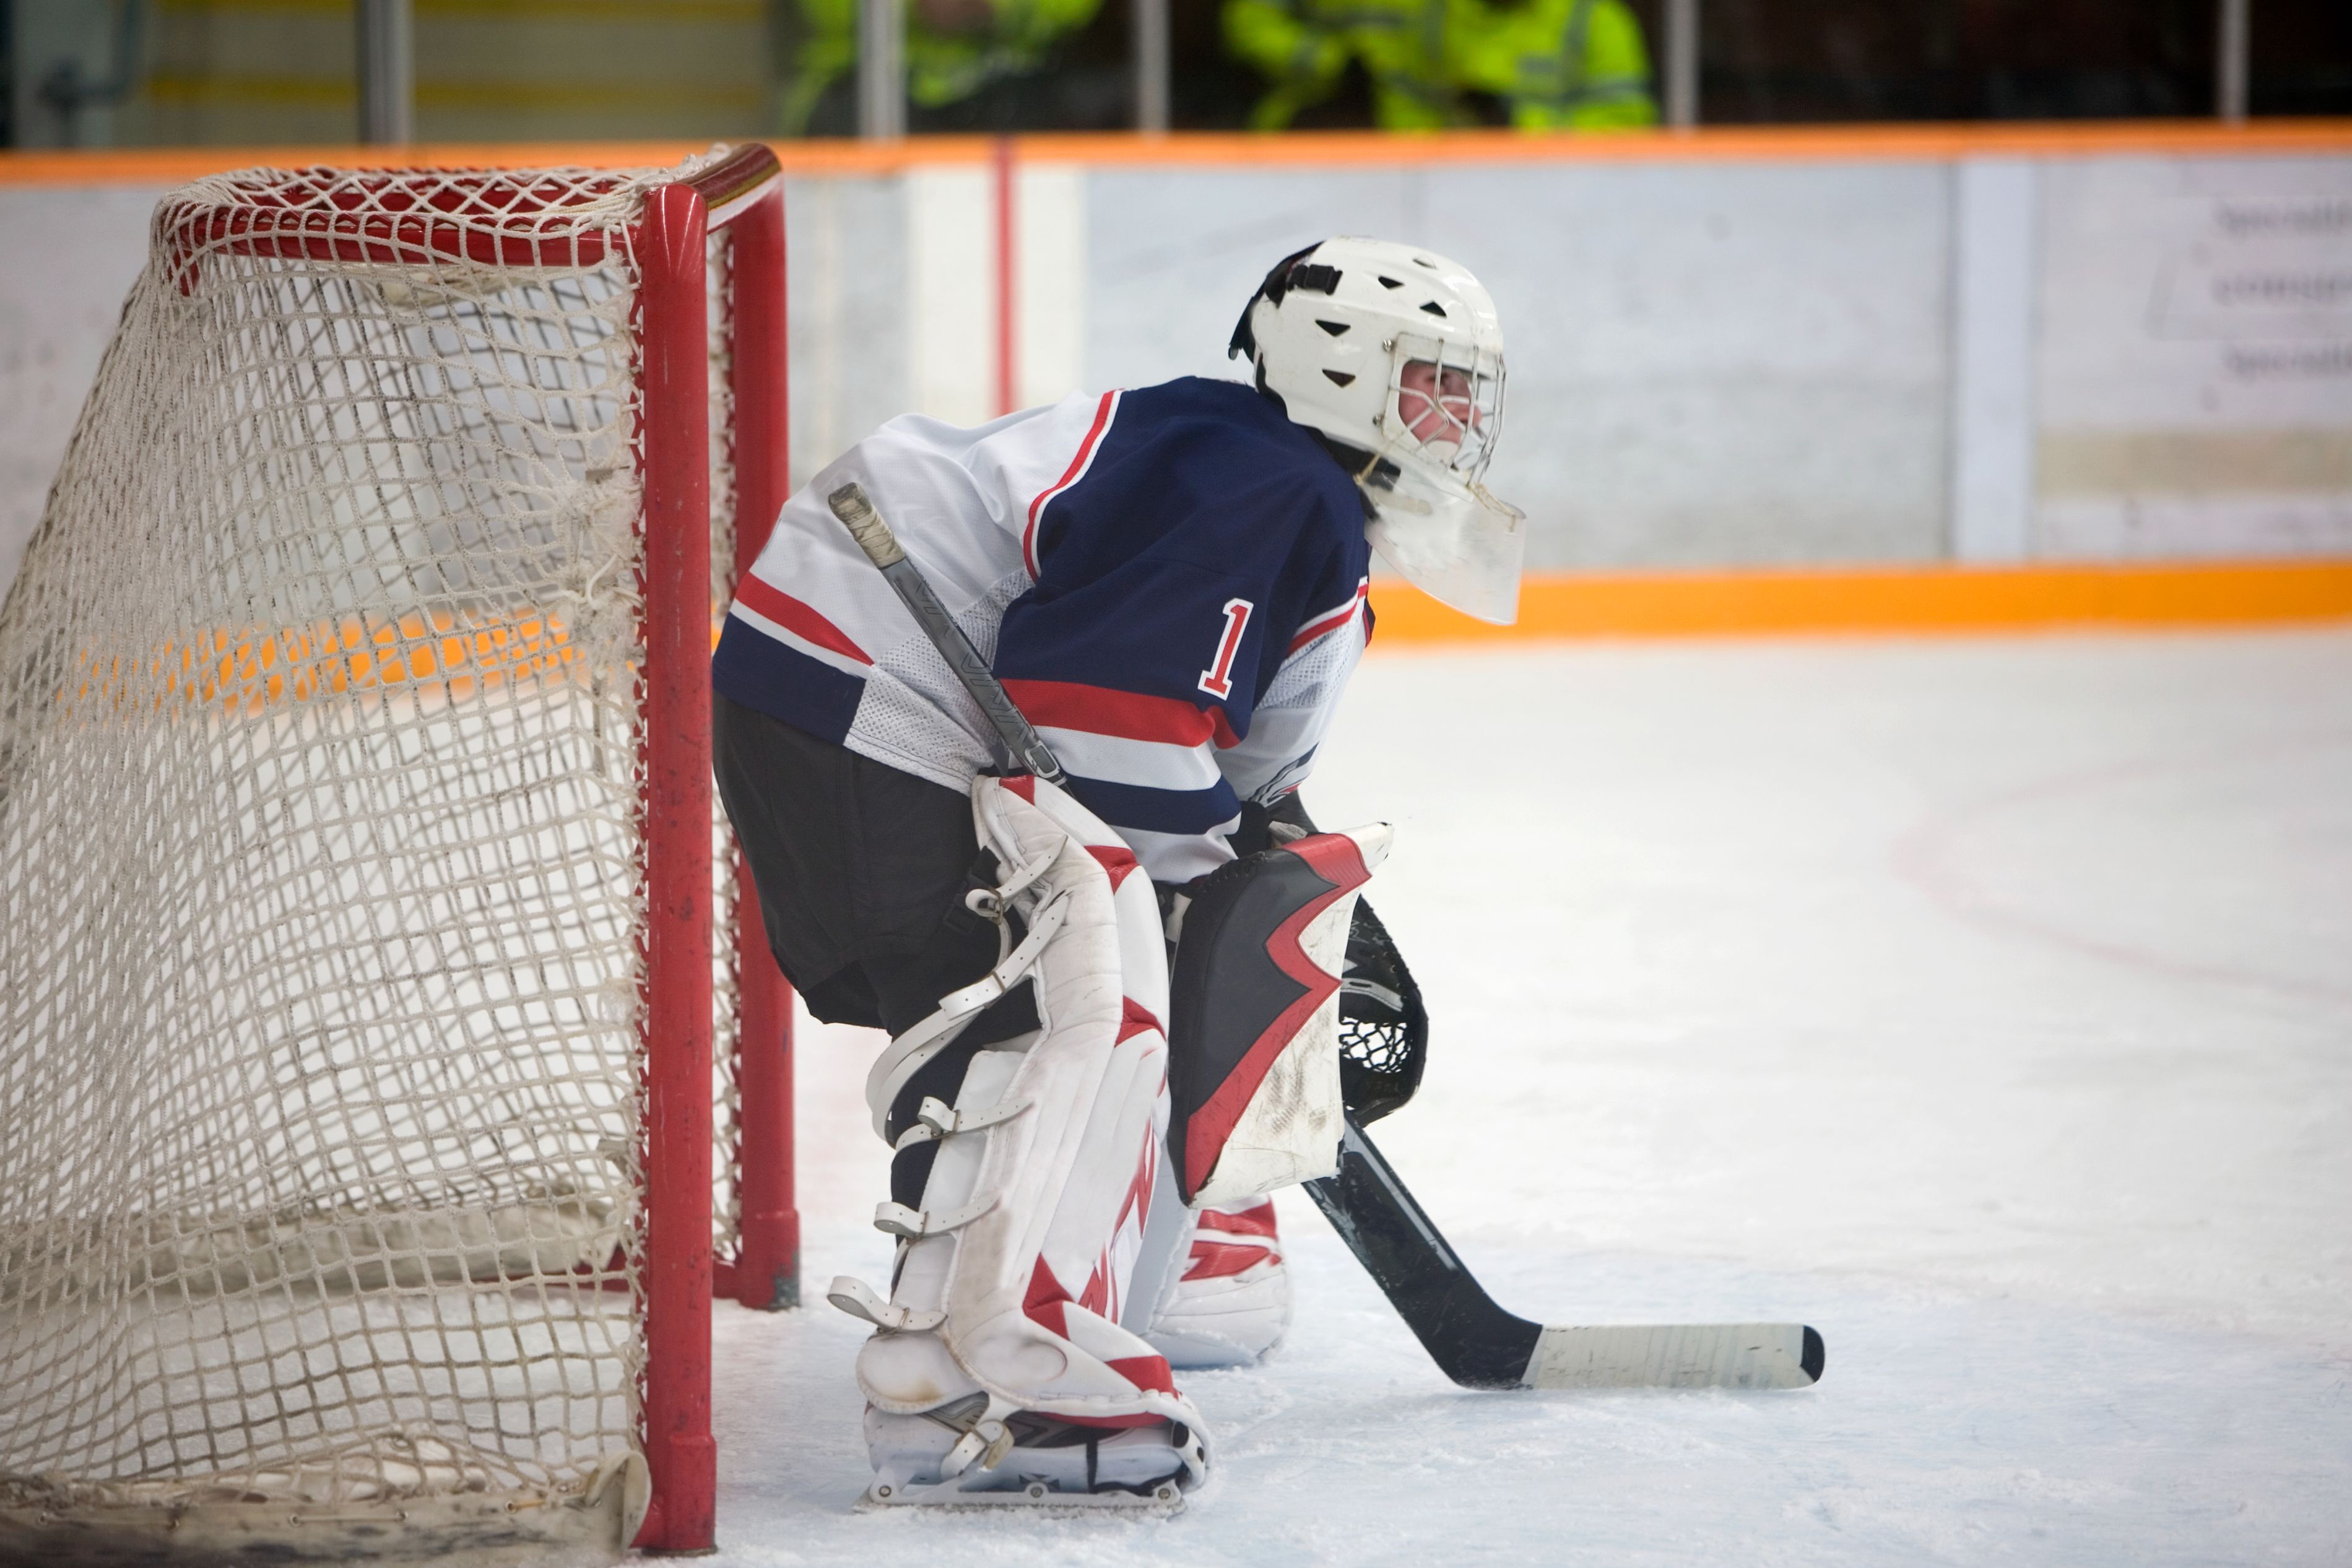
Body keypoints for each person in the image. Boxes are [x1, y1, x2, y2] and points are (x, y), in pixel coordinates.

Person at [711, 238, 1522, 1504]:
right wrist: (1215, 894)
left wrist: (1235, 868)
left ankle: (1118, 1264)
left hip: (854, 695)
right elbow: (1100, 721)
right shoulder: (1269, 484)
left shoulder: (1274, 486)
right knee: (1058, 998)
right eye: (1434, 381)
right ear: (1341, 366)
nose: (1459, 419)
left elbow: (1195, 754)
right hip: (872, 700)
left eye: (1472, 392)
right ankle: (972, 1384)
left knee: (1086, 963)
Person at [1224, 0, 1654, 131]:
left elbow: (1630, 131)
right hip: (1411, 184)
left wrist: (1519, 121)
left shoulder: (1596, 19)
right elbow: (1249, 19)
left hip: (1545, 196)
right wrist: (1334, 74)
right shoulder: (1426, 11)